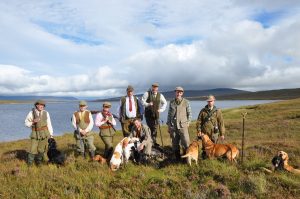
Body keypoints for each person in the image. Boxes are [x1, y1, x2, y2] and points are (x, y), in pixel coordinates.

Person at [24, 100, 54, 165]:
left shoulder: (46, 113)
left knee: (41, 149)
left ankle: (39, 162)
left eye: (43, 105)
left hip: (45, 133)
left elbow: (49, 124)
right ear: (36, 105)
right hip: (35, 134)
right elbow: (26, 123)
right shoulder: (31, 113)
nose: (42, 106)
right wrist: (33, 122)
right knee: (32, 149)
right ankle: (30, 164)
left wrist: (51, 134)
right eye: (40, 105)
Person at [167, 86, 192, 162]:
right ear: (175, 92)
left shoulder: (186, 102)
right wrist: (168, 125)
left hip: (183, 126)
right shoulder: (171, 102)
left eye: (180, 92)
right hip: (173, 126)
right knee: (175, 143)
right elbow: (169, 114)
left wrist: (188, 123)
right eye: (177, 92)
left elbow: (189, 114)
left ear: (182, 93)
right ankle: (177, 159)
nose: (178, 93)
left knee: (186, 142)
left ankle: (186, 159)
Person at [141, 83, 167, 147]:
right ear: (152, 87)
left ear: (157, 88)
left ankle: (154, 142)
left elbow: (165, 103)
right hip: (148, 115)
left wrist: (161, 110)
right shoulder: (147, 93)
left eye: (156, 87)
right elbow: (142, 101)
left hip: (156, 115)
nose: (155, 88)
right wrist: (148, 104)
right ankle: (149, 143)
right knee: (149, 129)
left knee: (155, 129)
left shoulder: (160, 95)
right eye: (154, 87)